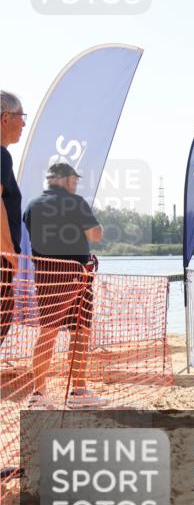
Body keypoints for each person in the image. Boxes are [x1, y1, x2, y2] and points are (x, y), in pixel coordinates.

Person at [24, 163, 105, 409]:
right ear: (66, 180)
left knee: (46, 333)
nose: (76, 184)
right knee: (80, 332)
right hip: (75, 276)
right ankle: (78, 390)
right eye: (75, 179)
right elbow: (95, 235)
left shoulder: (32, 206)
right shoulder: (75, 202)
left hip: (45, 276)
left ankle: (39, 393)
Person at [0, 91, 25, 348]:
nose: (24, 124)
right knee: (3, 316)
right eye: (21, 116)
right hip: (1, 259)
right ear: (5, 119)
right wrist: (9, 252)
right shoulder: (1, 155)